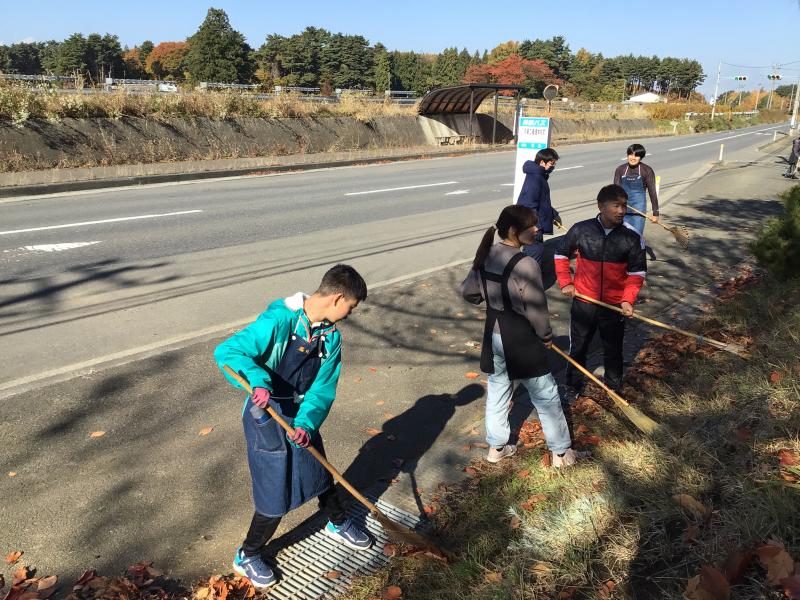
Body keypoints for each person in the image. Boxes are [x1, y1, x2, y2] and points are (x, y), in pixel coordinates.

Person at [214, 264, 370, 589]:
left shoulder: (330, 337)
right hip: (267, 414)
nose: (348, 314)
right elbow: (228, 352)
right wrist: (257, 380)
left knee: (319, 472)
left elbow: (322, 388)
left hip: (300, 415)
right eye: (350, 308)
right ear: (338, 298)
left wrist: (306, 423)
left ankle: (338, 522)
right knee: (274, 490)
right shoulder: (279, 320)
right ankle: (248, 554)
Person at [460, 204, 584, 468]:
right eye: (533, 225)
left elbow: (469, 292)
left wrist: (491, 295)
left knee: (498, 390)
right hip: (522, 338)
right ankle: (561, 454)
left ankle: (496, 448)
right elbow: (536, 308)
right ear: (516, 231)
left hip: (494, 333)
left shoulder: (486, 253)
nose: (538, 229)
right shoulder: (526, 263)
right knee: (545, 393)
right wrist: (546, 335)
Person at [555, 185, 647, 399]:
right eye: (616, 206)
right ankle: (573, 385)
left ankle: (614, 389)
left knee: (613, 349)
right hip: (583, 301)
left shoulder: (632, 237)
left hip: (614, 305)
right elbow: (560, 254)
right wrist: (566, 283)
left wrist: (627, 300)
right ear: (601, 206)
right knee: (578, 346)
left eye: (624, 206)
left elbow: (637, 272)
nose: (621, 211)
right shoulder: (581, 230)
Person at [516, 147, 562, 266]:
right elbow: (528, 204)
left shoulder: (539, 176)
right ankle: (529, 284)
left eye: (554, 164)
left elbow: (542, 202)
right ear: (542, 162)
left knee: (533, 261)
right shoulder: (535, 178)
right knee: (532, 263)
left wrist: (554, 215)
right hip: (532, 229)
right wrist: (535, 227)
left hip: (534, 227)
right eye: (551, 164)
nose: (553, 167)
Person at [613, 143, 659, 236]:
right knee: (620, 237)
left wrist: (656, 213)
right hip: (622, 210)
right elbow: (615, 191)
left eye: (636, 155)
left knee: (636, 236)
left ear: (641, 157)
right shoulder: (620, 169)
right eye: (630, 154)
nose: (633, 158)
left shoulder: (647, 170)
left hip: (638, 211)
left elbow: (652, 192)